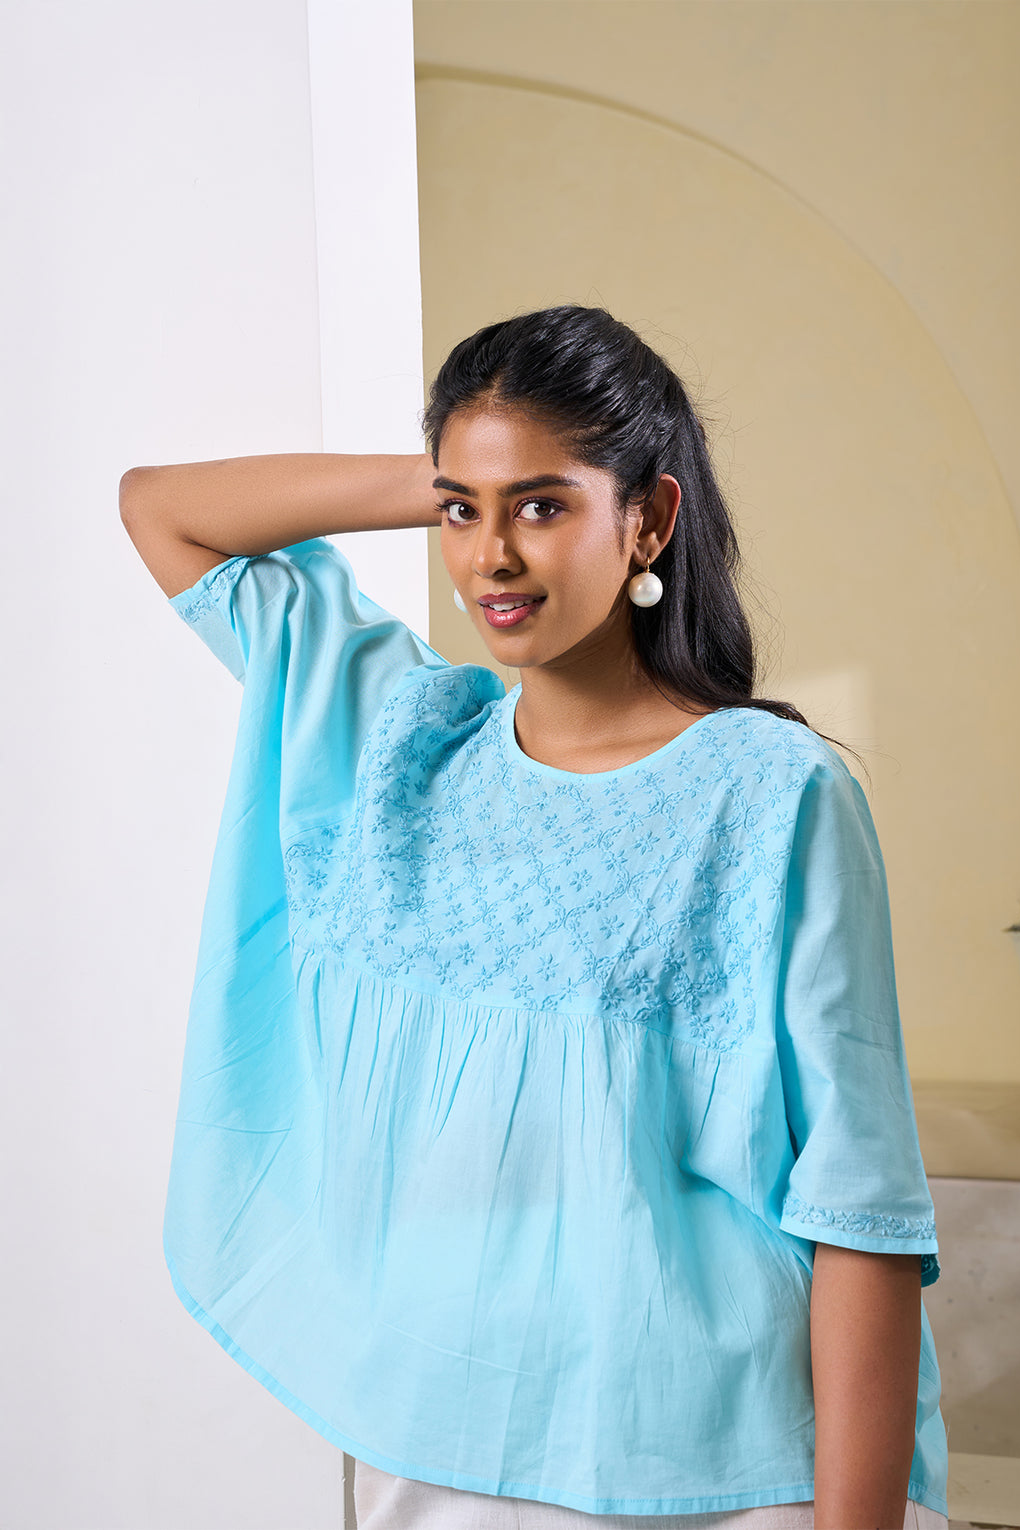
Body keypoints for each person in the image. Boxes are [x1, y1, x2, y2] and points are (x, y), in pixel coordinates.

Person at [120, 305, 949, 1529]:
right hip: (430, 1453)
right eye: (464, 514)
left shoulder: (770, 792)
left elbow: (858, 1203)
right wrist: (469, 474)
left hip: (721, 1475)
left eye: (544, 508)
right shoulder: (403, 740)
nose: (492, 558)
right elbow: (162, 509)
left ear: (650, 519)